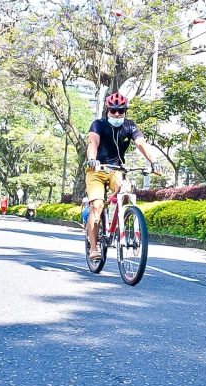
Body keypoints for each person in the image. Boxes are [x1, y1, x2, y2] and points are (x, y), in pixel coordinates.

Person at [85, 92, 163, 260]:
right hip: (96, 170)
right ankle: (93, 247)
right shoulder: (98, 124)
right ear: (108, 111)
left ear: (125, 111)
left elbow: (141, 144)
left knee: (126, 192)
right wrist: (92, 159)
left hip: (116, 170)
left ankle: (122, 223)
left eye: (121, 111)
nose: (117, 114)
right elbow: (93, 143)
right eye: (114, 111)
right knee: (97, 206)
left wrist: (154, 161)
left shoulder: (130, 126)